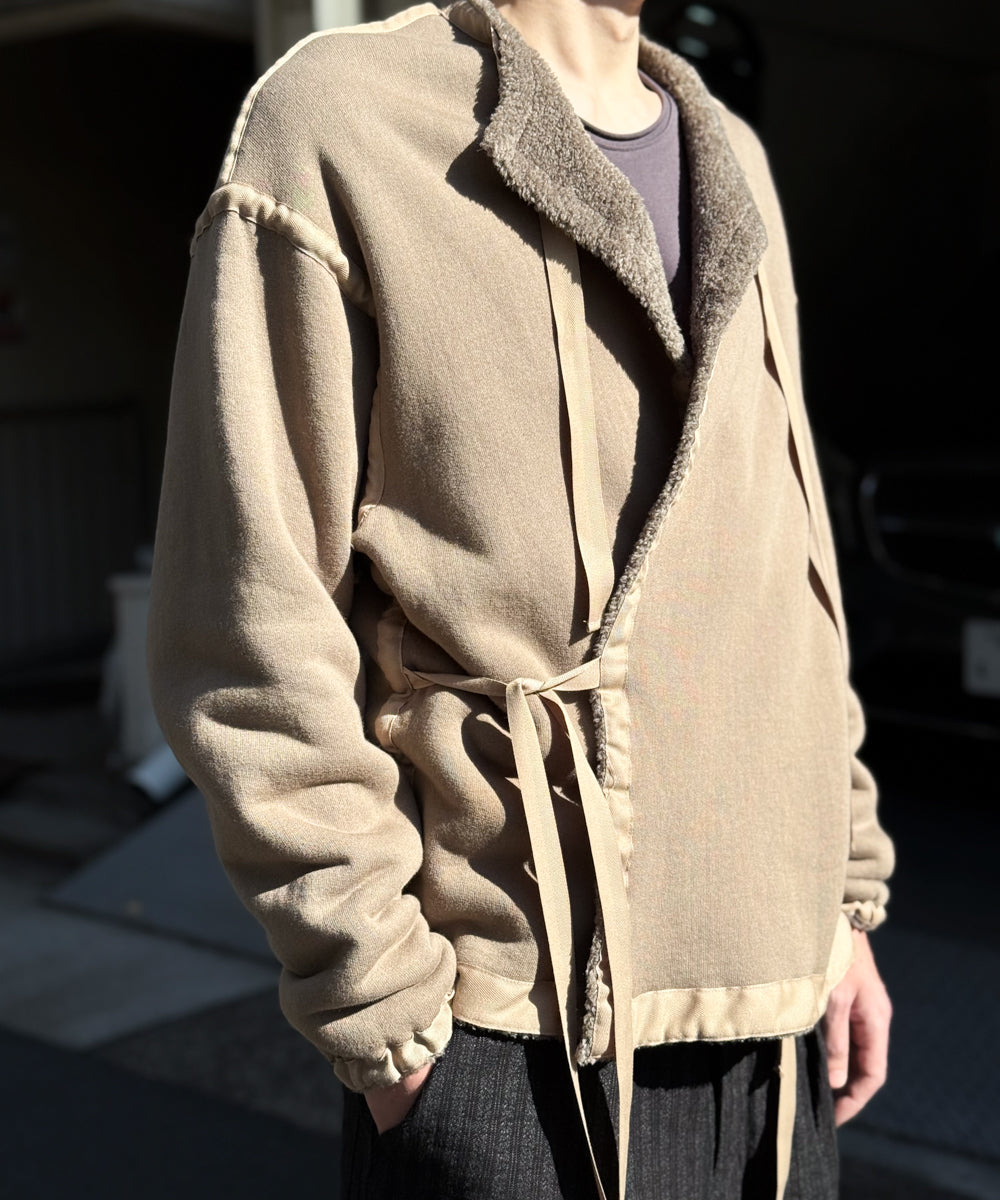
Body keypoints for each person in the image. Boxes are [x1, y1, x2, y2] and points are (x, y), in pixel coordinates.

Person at [147, 1, 895, 1196]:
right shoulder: (343, 117)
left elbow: (784, 565)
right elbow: (248, 611)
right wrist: (383, 1009)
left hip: (778, 1021)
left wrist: (841, 899)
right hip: (507, 1028)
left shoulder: (730, 155)